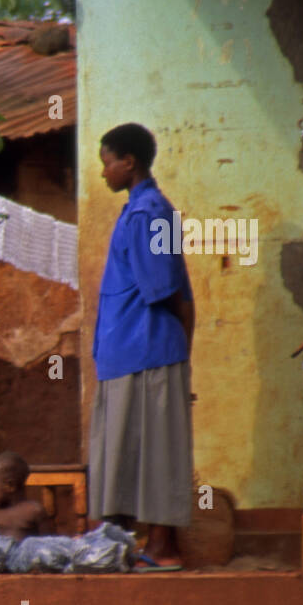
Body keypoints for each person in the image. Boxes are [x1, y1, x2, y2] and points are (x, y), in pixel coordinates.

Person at [90, 123, 194, 571]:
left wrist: (185, 328)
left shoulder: (150, 213)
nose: (103, 173)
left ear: (128, 162)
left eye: (106, 163)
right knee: (126, 446)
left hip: (148, 346)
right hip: (128, 349)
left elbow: (165, 287)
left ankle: (164, 547)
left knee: (157, 446)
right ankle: (127, 544)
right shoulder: (141, 210)